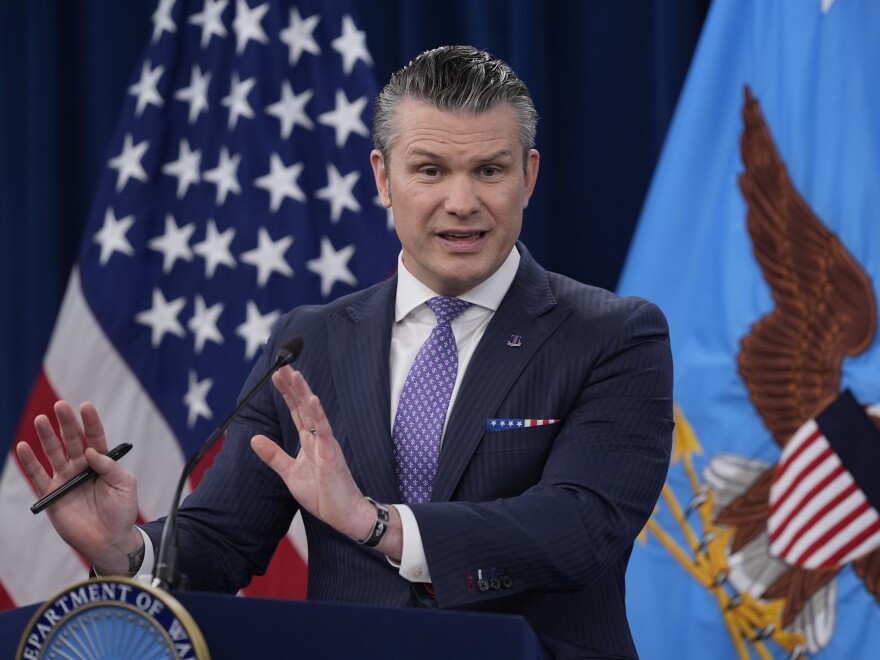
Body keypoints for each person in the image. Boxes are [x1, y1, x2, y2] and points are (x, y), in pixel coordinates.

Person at [17, 45, 673, 659]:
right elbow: (221, 541)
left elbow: (580, 529)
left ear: (527, 177)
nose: (462, 201)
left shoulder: (614, 336)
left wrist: (378, 525)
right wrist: (122, 546)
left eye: (490, 170)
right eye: (430, 170)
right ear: (383, 177)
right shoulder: (309, 341)